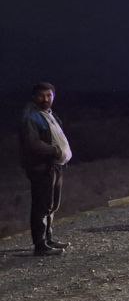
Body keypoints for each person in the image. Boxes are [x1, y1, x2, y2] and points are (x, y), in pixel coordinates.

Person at [18, 82, 72, 256]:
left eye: (49, 95)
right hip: (41, 167)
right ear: (35, 97)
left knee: (52, 204)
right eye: (42, 96)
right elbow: (32, 144)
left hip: (55, 166)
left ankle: (48, 239)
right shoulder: (31, 117)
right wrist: (55, 151)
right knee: (41, 205)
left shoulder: (50, 115)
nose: (45, 99)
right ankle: (40, 245)